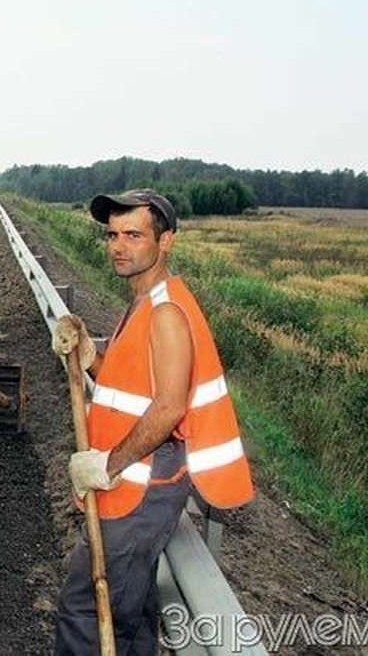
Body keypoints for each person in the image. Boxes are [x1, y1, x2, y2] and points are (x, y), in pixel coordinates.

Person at [51, 189, 254, 654]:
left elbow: (168, 408)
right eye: (113, 235)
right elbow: (129, 385)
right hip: (135, 478)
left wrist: (107, 464)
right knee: (135, 610)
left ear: (166, 243)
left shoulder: (164, 312)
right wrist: (88, 355)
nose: (118, 246)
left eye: (134, 235)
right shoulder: (145, 301)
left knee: (86, 613)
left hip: (140, 485)